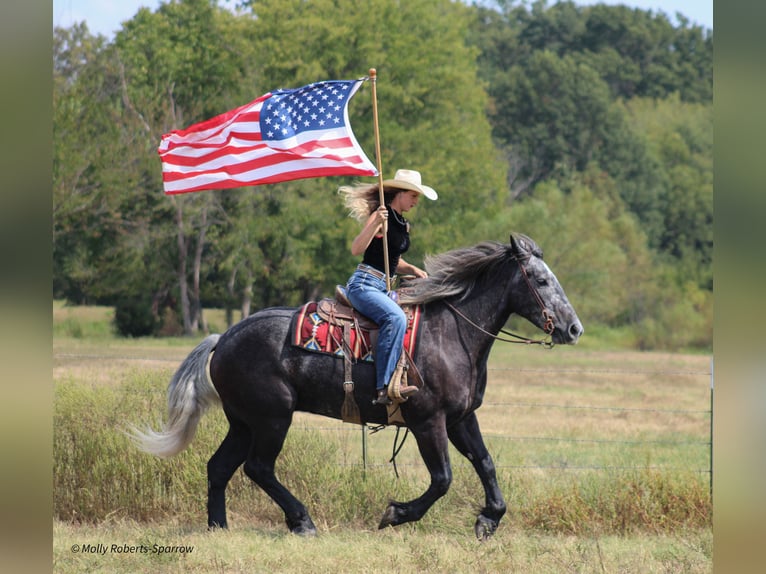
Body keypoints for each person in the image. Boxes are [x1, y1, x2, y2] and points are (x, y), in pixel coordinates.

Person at [339, 169, 438, 406]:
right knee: (395, 318)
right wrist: (374, 223)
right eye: (413, 195)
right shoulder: (380, 217)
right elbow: (357, 249)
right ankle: (385, 387)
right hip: (364, 284)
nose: (416, 201)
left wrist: (413, 269)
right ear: (399, 194)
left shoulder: (403, 224)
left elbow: (392, 261)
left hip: (384, 286)